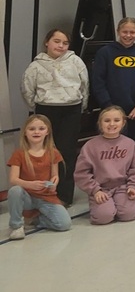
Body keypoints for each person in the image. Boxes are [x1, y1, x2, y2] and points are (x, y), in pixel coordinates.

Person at [22, 29, 89, 205]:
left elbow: (84, 86)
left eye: (65, 43)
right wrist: (37, 106)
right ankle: (44, 192)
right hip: (46, 110)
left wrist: (80, 106)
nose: (60, 46)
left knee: (66, 152)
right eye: (56, 41)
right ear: (47, 42)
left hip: (71, 111)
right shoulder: (35, 66)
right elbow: (27, 90)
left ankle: (64, 196)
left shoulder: (75, 62)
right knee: (44, 152)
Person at [6, 115, 72, 240]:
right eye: (32, 129)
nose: (36, 132)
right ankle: (16, 226)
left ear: (47, 131)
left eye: (41, 128)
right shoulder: (19, 153)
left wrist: (54, 183)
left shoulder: (53, 152)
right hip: (27, 197)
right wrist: (30, 185)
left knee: (64, 224)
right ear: (25, 132)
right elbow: (13, 179)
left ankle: (36, 219)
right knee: (15, 191)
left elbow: (55, 176)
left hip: (46, 197)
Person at [75, 107, 135, 225]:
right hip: (101, 189)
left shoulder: (130, 144)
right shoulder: (90, 146)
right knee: (103, 217)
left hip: (123, 187)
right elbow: (81, 173)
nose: (111, 124)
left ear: (123, 123)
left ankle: (119, 204)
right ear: (100, 123)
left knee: (128, 215)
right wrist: (95, 191)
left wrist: (133, 187)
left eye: (116, 120)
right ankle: (105, 206)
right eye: (107, 121)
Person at [91, 17, 135, 140]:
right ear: (118, 31)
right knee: (108, 143)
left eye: (132, 32)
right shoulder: (105, 53)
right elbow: (98, 81)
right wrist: (108, 106)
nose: (128, 35)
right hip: (109, 110)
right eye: (125, 32)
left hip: (134, 112)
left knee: (131, 144)